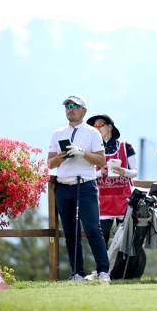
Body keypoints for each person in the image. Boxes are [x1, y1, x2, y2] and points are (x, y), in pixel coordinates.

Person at [47, 95, 111, 284]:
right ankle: (77, 273)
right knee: (70, 231)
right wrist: (62, 156)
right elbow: (50, 163)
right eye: (67, 106)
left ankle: (103, 271)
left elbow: (101, 161)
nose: (70, 109)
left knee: (92, 228)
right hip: (63, 186)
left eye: (74, 106)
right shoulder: (57, 133)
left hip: (85, 185)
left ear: (84, 110)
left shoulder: (92, 133)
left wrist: (81, 153)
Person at [85, 114, 137, 246]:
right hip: (102, 202)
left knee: (124, 243)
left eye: (99, 125)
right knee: (101, 242)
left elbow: (135, 172)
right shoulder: (92, 150)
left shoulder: (126, 147)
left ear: (110, 127)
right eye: (94, 126)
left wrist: (123, 172)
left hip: (124, 201)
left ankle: (121, 267)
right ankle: (103, 267)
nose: (96, 128)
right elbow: (86, 174)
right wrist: (99, 173)